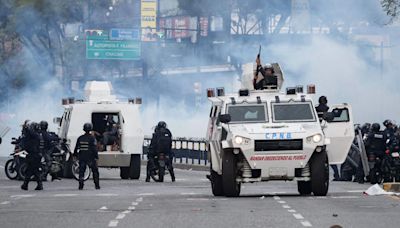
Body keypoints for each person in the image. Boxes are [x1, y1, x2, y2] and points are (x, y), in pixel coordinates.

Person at [315, 96, 340, 181]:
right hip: (328, 133)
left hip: (316, 133)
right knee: (330, 157)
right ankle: (337, 175)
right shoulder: (329, 109)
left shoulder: (315, 109)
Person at [74, 123, 100, 190]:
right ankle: (97, 185)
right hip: (90, 157)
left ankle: (81, 185)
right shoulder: (92, 138)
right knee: (95, 171)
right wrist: (96, 157)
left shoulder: (80, 138)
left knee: (81, 171)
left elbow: (76, 148)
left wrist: (75, 155)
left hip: (82, 156)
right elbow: (94, 148)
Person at [21, 121, 43, 191]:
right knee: (34, 170)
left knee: (30, 170)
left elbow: (29, 133)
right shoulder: (38, 135)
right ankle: (38, 185)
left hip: (33, 155)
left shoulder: (35, 135)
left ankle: (26, 185)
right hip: (36, 155)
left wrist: (26, 128)